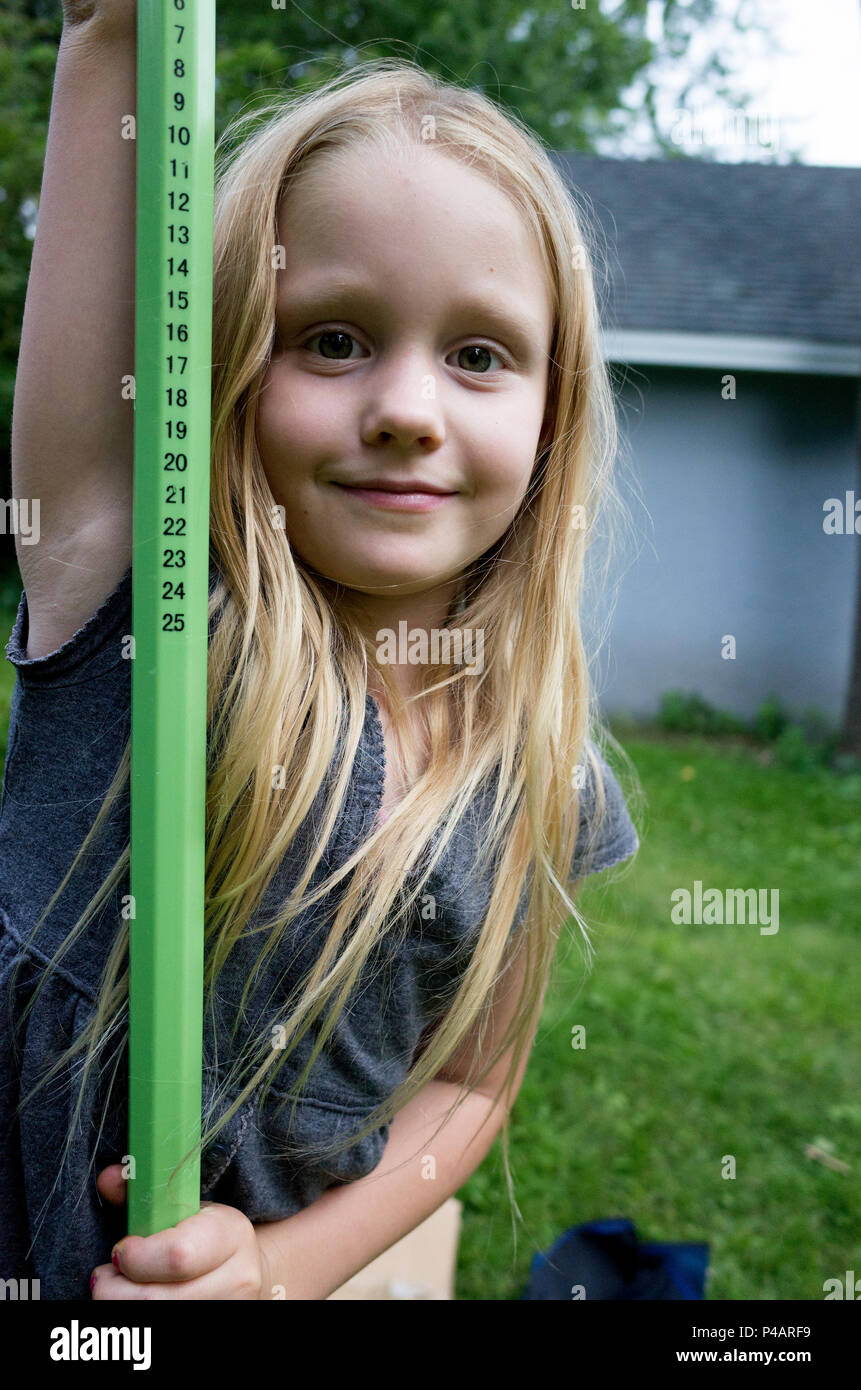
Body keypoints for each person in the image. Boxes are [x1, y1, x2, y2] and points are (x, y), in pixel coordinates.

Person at [0, 2, 641, 1301]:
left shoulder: (538, 760)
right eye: (333, 338)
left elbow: (470, 1082)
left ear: (552, 408)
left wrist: (277, 1273)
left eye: (476, 354)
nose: (405, 410)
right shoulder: (155, 619)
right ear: (224, 365)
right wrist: (112, 36)